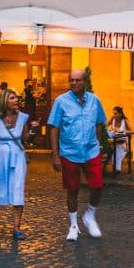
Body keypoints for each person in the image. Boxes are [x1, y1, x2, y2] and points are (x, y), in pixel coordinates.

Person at [48, 70, 107, 242]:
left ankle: (90, 215)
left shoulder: (95, 100)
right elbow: (54, 128)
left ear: (85, 82)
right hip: (69, 152)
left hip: (91, 150)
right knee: (72, 189)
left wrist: (100, 145)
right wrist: (55, 155)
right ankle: (73, 225)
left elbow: (98, 124)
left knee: (98, 185)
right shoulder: (61, 101)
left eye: (77, 80)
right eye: (71, 80)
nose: (73, 83)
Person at [0, 89, 32, 238]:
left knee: (18, 188)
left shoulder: (23, 117)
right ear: (5, 101)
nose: (16, 100)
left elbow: (26, 138)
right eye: (13, 98)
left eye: (16, 98)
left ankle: (16, 228)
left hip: (18, 156)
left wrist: (33, 129)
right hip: (0, 155)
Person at [106, 106, 133, 174]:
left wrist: (124, 131)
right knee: (112, 149)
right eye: (113, 113)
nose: (114, 115)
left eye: (116, 113)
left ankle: (117, 169)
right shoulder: (113, 119)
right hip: (114, 140)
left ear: (120, 114)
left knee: (116, 150)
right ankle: (116, 168)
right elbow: (105, 126)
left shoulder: (125, 121)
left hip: (123, 141)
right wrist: (110, 120)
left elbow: (132, 131)